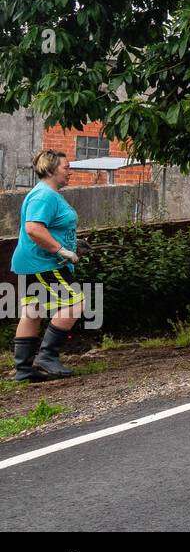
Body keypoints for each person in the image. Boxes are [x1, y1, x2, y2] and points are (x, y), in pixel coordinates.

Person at [10, 150, 82, 381]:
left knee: (33, 311)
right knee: (75, 302)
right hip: (44, 262)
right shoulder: (45, 196)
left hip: (32, 262)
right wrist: (60, 250)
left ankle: (23, 370)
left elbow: (50, 228)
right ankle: (46, 356)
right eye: (66, 167)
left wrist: (74, 245)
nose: (70, 172)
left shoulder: (47, 194)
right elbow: (33, 228)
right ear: (51, 169)